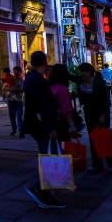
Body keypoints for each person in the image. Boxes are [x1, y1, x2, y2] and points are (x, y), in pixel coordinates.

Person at [24, 50, 65, 209]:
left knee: (48, 156)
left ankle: (45, 194)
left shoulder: (30, 77)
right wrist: (50, 127)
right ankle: (39, 188)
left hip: (35, 124)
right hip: (41, 125)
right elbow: (43, 106)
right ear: (45, 62)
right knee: (50, 156)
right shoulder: (38, 80)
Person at [75, 63, 112, 173]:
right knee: (93, 139)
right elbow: (68, 76)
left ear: (89, 72)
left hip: (101, 114)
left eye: (83, 71)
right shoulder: (81, 81)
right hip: (89, 114)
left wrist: (103, 115)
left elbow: (105, 101)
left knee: (106, 139)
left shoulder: (99, 84)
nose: (81, 73)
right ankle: (97, 163)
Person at [49, 63, 77, 142]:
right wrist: (71, 124)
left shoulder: (50, 86)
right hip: (62, 121)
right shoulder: (62, 88)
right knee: (64, 145)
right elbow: (66, 108)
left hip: (52, 120)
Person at [2, 66, 25, 137]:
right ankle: (14, 130)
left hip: (18, 101)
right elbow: (4, 88)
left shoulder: (21, 81)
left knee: (19, 117)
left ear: (20, 72)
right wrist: (9, 89)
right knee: (12, 117)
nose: (16, 73)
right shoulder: (10, 79)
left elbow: (21, 90)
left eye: (17, 72)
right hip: (10, 101)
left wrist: (10, 89)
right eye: (14, 71)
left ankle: (21, 131)